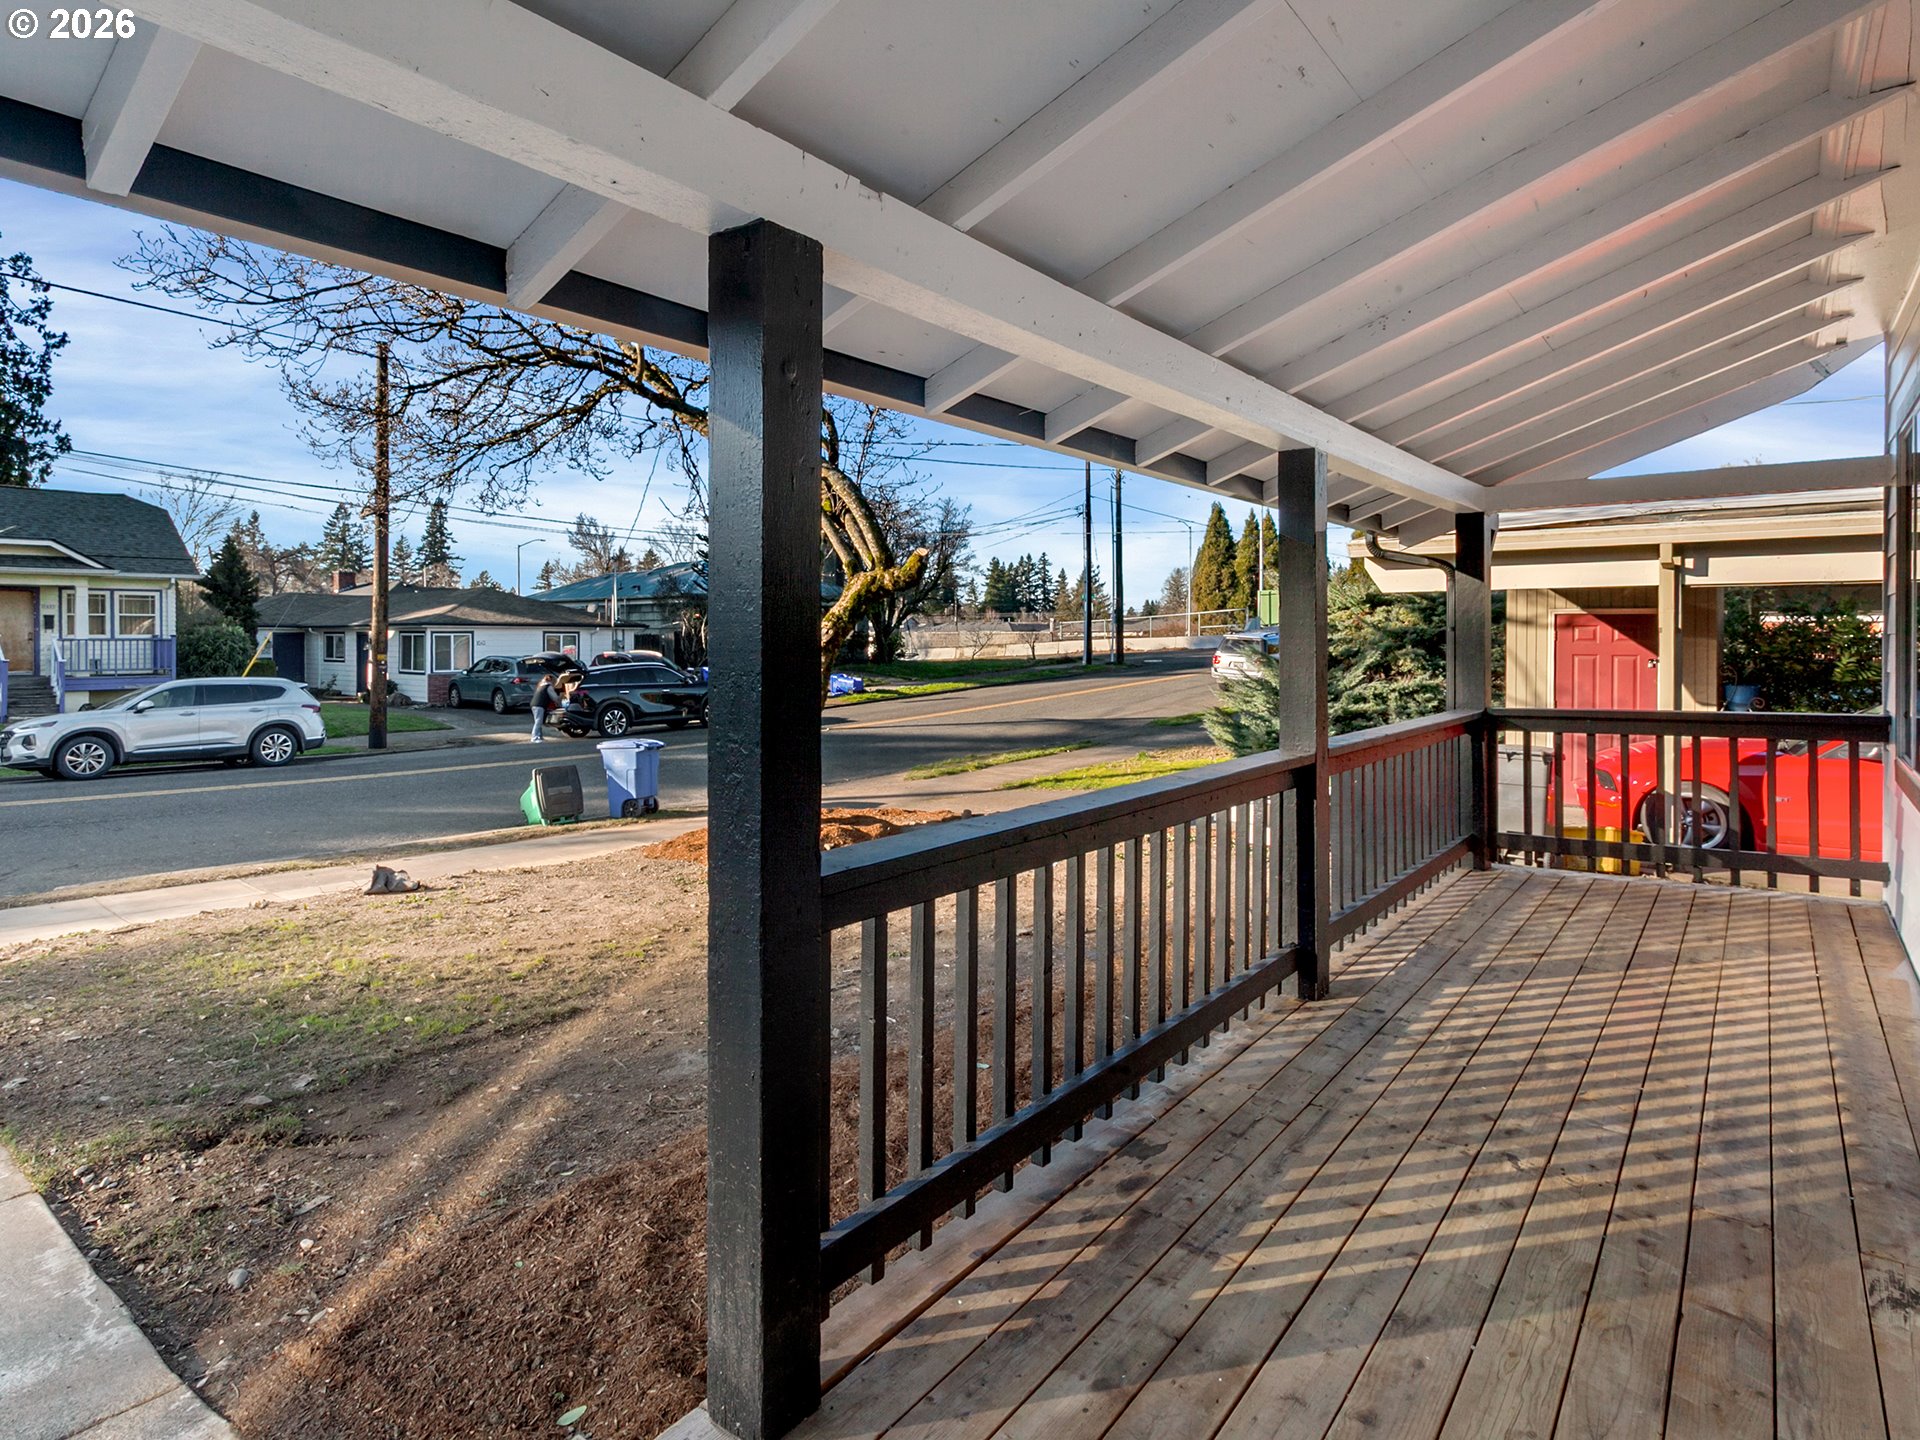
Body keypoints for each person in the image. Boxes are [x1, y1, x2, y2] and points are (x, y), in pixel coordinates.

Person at [530, 669, 557, 743]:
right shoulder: (548, 686)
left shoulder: (541, 685)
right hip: (539, 705)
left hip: (534, 704)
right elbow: (554, 697)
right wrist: (560, 700)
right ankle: (534, 737)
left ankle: (539, 737)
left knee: (538, 721)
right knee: (538, 721)